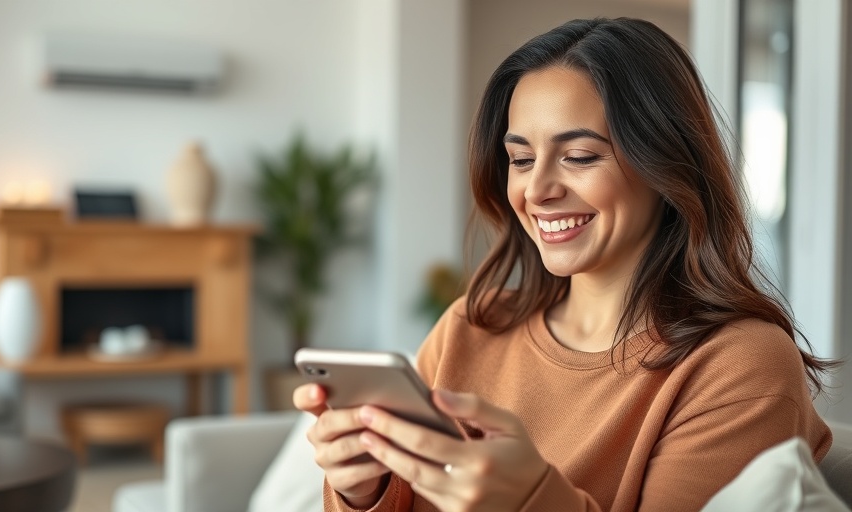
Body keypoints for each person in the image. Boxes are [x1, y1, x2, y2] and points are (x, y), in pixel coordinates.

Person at [294, 17, 834, 512]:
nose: (538, 190)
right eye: (521, 159)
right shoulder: (470, 327)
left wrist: (532, 497)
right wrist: (363, 490)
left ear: (665, 164)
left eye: (579, 157)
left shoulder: (737, 365)